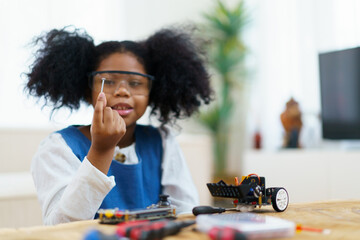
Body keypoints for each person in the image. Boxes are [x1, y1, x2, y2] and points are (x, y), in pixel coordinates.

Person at [25, 26, 213, 225]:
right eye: (109, 82)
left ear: (152, 93)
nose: (122, 91)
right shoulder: (58, 147)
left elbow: (186, 214)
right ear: (88, 91)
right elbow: (60, 228)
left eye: (135, 83)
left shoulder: (163, 142)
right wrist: (101, 149)